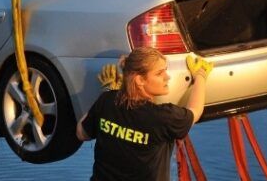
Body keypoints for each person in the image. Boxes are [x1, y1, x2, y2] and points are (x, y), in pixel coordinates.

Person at [76, 47, 212, 181]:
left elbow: (81, 133)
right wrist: (200, 75)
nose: (167, 77)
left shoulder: (107, 100)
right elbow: (195, 111)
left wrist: (107, 94)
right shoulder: (162, 117)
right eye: (160, 73)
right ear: (140, 80)